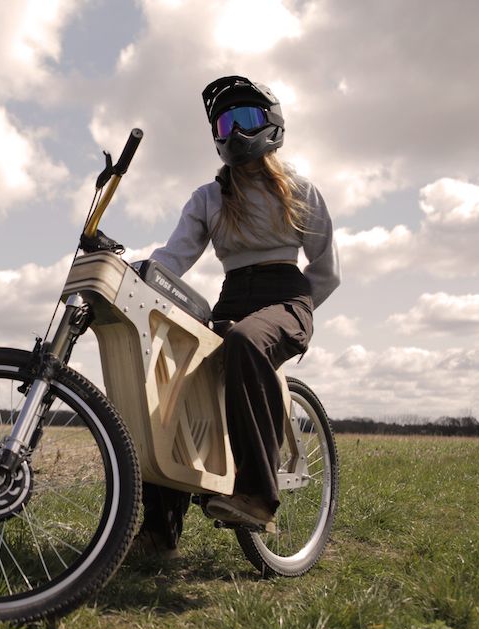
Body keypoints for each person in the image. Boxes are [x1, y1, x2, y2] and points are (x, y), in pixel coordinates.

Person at [135, 75, 341, 556]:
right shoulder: (207, 198)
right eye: (225, 123)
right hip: (231, 299)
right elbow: (173, 258)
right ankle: (159, 532)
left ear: (271, 123)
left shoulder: (300, 190)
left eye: (246, 118)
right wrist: (138, 272)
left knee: (249, 341)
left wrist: (295, 315)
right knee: (175, 392)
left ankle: (258, 496)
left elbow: (326, 272)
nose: (235, 132)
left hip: (288, 297)